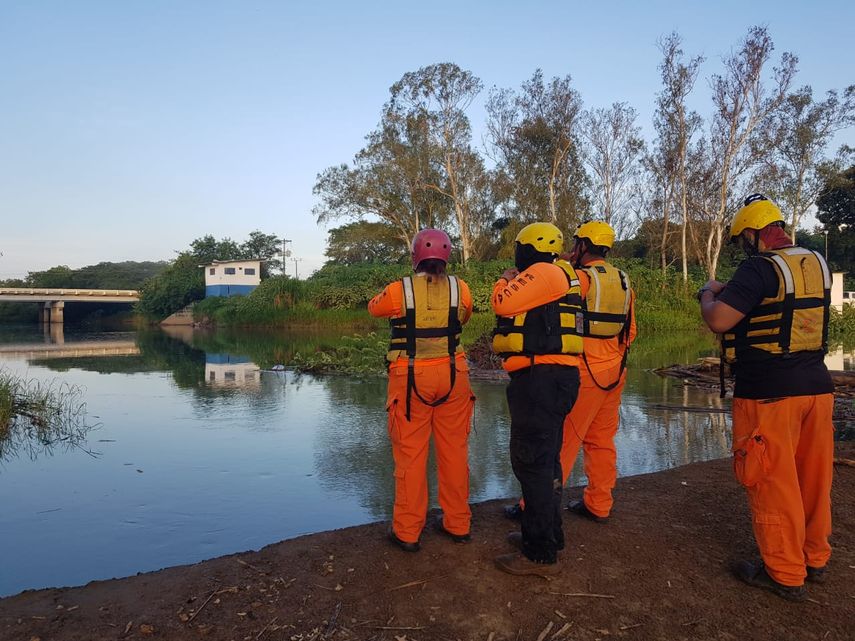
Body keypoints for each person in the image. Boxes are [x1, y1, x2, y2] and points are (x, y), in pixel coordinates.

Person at [698, 193, 834, 601]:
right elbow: (781, 306)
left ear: (756, 235)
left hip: (770, 394)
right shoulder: (816, 263)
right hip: (817, 388)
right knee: (812, 479)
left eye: (744, 239)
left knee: (772, 481)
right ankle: (814, 557)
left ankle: (784, 573)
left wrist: (709, 294)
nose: (744, 247)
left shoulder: (759, 268)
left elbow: (721, 319)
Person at [504, 221, 636, 524]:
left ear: (584, 246)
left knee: (560, 443)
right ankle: (599, 503)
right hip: (616, 371)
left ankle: (532, 507)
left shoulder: (579, 279)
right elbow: (630, 329)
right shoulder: (624, 279)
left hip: (584, 370)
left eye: (576, 244)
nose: (571, 249)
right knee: (601, 441)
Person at [368, 228, 476, 553]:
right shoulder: (462, 288)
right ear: (447, 255)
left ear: (416, 255)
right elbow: (465, 317)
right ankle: (458, 524)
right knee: (454, 453)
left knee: (411, 456)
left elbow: (374, 308)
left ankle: (408, 531)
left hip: (411, 379)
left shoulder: (397, 290)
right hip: (455, 376)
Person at [491, 222, 584, 576]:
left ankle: (539, 553)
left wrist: (504, 279)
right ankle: (549, 535)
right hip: (553, 379)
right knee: (547, 462)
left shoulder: (545, 271)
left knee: (531, 462)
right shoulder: (561, 273)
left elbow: (502, 303)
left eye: (518, 247)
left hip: (541, 381)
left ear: (529, 247)